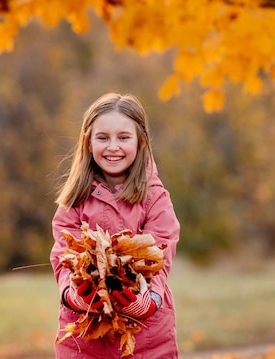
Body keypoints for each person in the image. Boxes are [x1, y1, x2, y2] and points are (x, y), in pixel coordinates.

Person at [50, 92, 180, 358]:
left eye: (123, 137)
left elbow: (160, 258)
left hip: (146, 337)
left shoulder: (155, 198)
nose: (112, 147)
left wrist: (148, 301)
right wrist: (72, 296)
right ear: (88, 142)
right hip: (85, 337)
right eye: (102, 138)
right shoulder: (74, 199)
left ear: (140, 141)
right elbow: (64, 256)